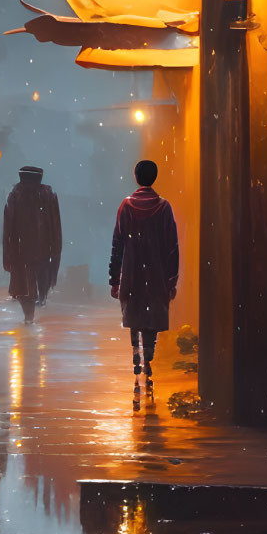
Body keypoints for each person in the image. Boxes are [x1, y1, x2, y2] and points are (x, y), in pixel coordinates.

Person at [109, 160, 180, 394]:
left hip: (131, 272)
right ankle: (149, 357)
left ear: (136, 177)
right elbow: (172, 246)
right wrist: (171, 279)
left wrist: (115, 278)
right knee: (151, 318)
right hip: (156, 273)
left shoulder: (126, 207)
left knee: (135, 314)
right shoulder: (164, 207)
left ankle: (136, 354)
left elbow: (117, 243)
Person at [2, 165, 62, 323]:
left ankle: (29, 315)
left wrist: (7, 254)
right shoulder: (47, 195)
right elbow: (56, 227)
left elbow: (8, 229)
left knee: (25, 285)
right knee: (41, 280)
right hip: (43, 249)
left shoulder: (15, 195)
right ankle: (36, 304)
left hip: (21, 250)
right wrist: (56, 250)